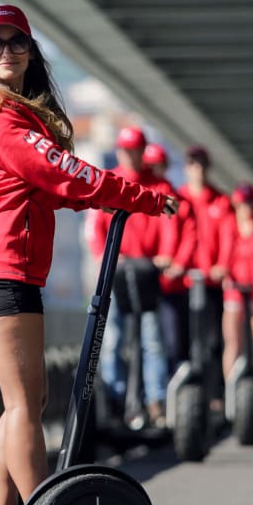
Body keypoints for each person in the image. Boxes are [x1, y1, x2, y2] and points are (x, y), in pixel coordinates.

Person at [0, 5, 177, 505]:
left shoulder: (3, 115)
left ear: (30, 51)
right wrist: (139, 197)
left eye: (15, 42)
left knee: (21, 403)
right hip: (0, 269)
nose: (5, 52)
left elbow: (41, 188)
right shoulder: (0, 116)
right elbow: (62, 172)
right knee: (25, 405)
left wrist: (89, 201)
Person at [86, 127, 177, 427]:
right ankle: (117, 399)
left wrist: (166, 256)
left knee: (152, 340)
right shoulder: (110, 180)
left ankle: (155, 400)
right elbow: (97, 225)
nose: (129, 154)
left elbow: (170, 224)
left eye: (134, 149)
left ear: (142, 151)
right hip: (118, 272)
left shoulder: (160, 185)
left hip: (148, 273)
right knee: (112, 340)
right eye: (125, 149)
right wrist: (104, 254)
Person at [210, 182, 253, 416]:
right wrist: (223, 271)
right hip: (235, 292)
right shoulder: (230, 227)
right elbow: (226, 253)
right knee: (233, 343)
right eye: (240, 205)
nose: (244, 209)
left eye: (247, 204)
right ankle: (231, 393)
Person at [142, 142, 198, 369]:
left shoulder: (178, 201)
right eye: (151, 166)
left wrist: (178, 265)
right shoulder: (141, 198)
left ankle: (176, 391)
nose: (156, 171)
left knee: (175, 342)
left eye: (159, 166)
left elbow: (189, 236)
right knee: (147, 342)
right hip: (146, 281)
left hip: (172, 285)